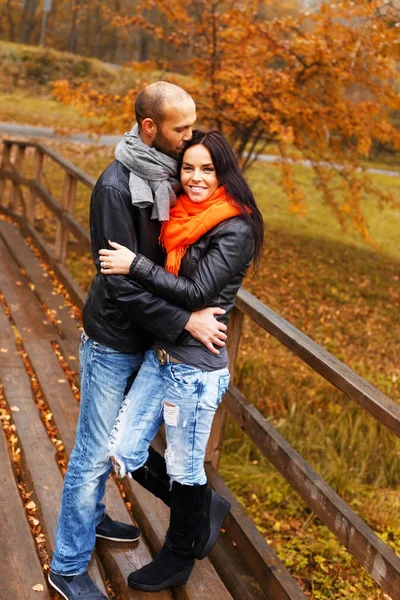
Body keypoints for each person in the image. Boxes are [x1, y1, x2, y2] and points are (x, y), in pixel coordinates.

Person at [48, 83, 229, 600]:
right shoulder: (115, 187)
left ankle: (96, 518)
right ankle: (66, 566)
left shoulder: (172, 173)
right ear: (150, 128)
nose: (190, 137)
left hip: (152, 341)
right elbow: (120, 283)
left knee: (119, 444)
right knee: (92, 453)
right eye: (181, 128)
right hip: (115, 340)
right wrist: (185, 322)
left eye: (192, 125)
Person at [99, 129, 264, 592]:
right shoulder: (181, 215)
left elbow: (197, 292)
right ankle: (202, 507)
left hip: (195, 369)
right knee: (124, 450)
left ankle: (177, 556)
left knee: (183, 467)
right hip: (163, 352)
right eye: (187, 167)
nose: (194, 177)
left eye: (207, 169)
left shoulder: (236, 227)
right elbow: (182, 297)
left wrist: (135, 265)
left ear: (224, 172)